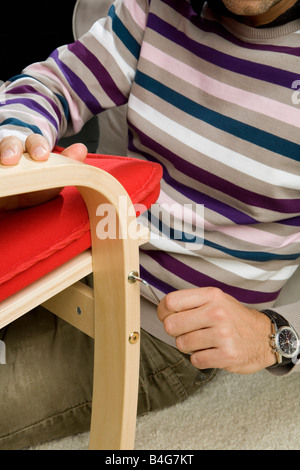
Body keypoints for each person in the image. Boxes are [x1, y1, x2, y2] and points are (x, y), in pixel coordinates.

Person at [1, 0, 300, 449]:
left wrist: (274, 333)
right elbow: (52, 84)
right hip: (70, 250)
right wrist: (20, 146)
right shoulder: (158, 7)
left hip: (159, 328)